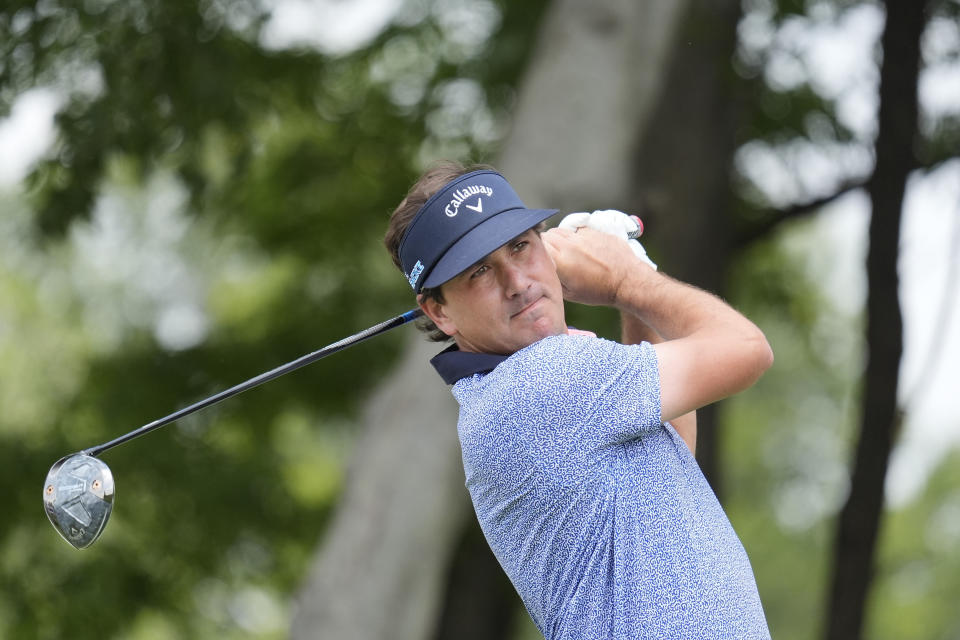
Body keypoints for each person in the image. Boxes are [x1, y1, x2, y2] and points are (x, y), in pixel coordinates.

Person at [384, 161, 774, 640]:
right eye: (480, 271)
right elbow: (748, 349)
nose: (518, 281)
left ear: (547, 245)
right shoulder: (545, 381)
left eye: (521, 246)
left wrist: (634, 282)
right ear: (439, 310)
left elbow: (670, 446)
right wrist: (623, 280)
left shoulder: (528, 389)